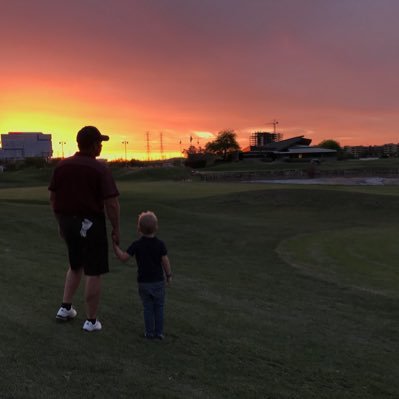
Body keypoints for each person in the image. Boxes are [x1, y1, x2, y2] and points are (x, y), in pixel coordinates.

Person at [49, 126, 120, 332]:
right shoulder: (100, 169)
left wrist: (60, 224)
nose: (101, 146)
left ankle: (65, 308)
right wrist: (115, 228)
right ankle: (91, 321)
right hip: (91, 224)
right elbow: (112, 203)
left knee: (75, 265)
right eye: (99, 143)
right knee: (94, 271)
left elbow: (53, 199)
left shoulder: (62, 166)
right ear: (93, 145)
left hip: (67, 223)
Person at [113, 211, 172, 339]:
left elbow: (123, 258)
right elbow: (165, 261)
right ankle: (159, 333)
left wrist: (115, 246)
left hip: (144, 283)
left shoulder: (137, 245)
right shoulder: (160, 244)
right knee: (159, 308)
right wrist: (168, 275)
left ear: (139, 229)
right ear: (156, 227)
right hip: (158, 282)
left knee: (148, 308)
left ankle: (149, 333)